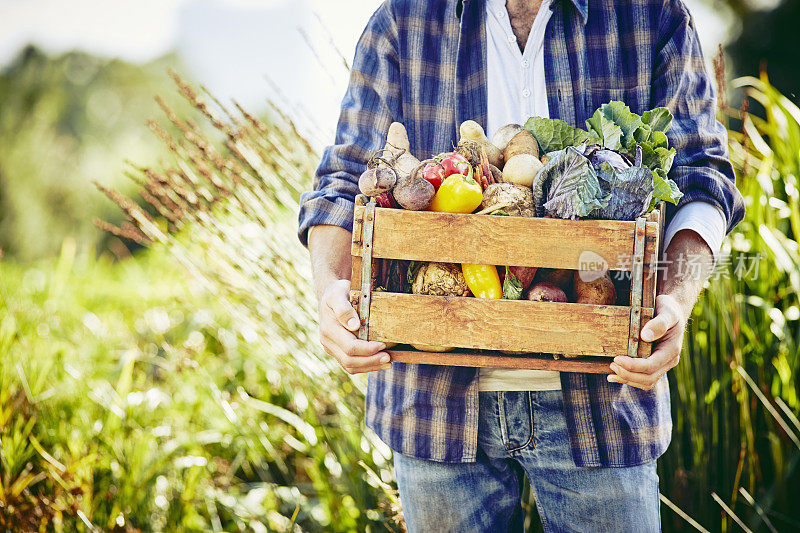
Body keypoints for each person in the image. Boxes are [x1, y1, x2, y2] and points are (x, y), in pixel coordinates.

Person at [298, 0, 745, 530]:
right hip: (431, 402)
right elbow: (344, 181)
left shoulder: (649, 16)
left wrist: (675, 299)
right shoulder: (404, 19)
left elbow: (704, 178)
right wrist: (332, 290)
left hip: (603, 399)